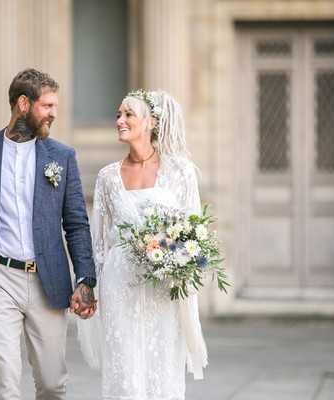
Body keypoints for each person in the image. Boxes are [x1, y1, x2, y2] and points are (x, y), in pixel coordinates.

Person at [0, 68, 97, 400]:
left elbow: (76, 224)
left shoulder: (62, 156)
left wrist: (85, 278)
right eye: (48, 106)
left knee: (52, 383)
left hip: (48, 279)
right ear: (24, 104)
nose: (54, 114)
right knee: (5, 382)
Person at [78, 89, 208, 400]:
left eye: (128, 115)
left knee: (162, 372)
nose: (120, 120)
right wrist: (91, 288)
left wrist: (171, 258)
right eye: (118, 115)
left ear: (150, 122)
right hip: (119, 285)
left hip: (162, 288)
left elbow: (194, 233)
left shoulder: (180, 172)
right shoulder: (107, 177)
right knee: (124, 376)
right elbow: (99, 242)